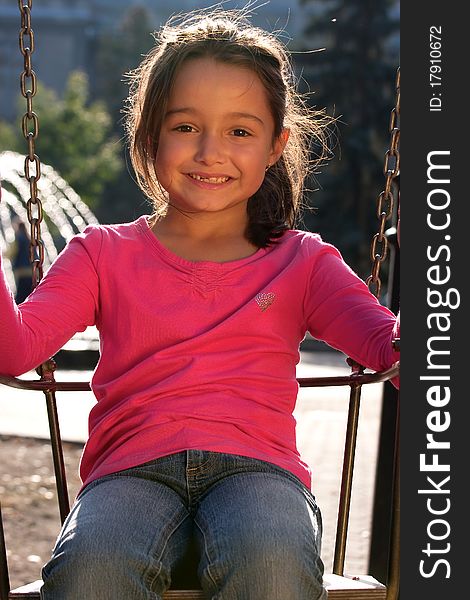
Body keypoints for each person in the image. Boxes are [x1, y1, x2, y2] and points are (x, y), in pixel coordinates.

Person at [0, 9, 400, 600]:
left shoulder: (305, 263)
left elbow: (391, 350)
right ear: (150, 132)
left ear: (275, 146)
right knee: (90, 571)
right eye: (186, 126)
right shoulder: (101, 255)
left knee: (271, 562)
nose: (211, 151)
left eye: (240, 131)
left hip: (258, 471)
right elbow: (14, 350)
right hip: (130, 471)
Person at [4, 217, 33, 304]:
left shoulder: (18, 238)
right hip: (32, 271)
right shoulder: (30, 239)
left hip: (21, 271)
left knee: (20, 297)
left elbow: (10, 253)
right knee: (29, 294)